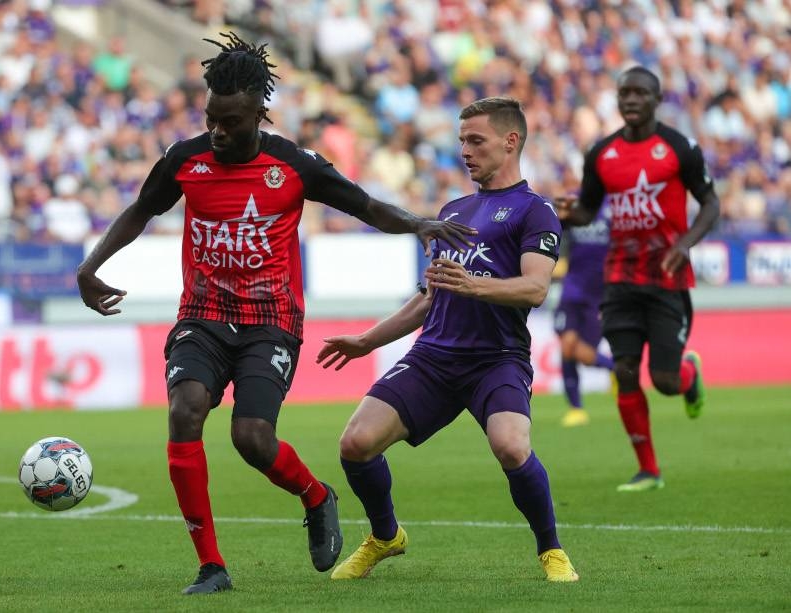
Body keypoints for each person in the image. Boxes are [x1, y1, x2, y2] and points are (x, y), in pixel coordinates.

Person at [75, 32, 475, 595]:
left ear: (260, 115)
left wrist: (417, 223)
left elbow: (364, 205)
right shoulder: (184, 160)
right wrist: (90, 265)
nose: (218, 130)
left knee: (252, 438)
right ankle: (211, 566)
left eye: (231, 122)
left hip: (271, 321)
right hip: (203, 313)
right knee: (185, 410)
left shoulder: (292, 165)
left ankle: (316, 496)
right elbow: (140, 210)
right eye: (212, 118)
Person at [317, 97, 579, 583]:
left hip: (496, 360)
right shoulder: (453, 210)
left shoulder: (535, 210)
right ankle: (385, 536)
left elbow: (536, 288)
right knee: (355, 443)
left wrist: (473, 284)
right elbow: (428, 296)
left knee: (511, 447)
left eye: (475, 140)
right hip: (434, 358)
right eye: (461, 141)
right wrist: (368, 341)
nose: (465, 151)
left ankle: (552, 551)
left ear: (510, 141)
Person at [556, 66, 719, 492]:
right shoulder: (601, 154)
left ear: (656, 98)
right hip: (620, 279)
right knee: (626, 371)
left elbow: (710, 203)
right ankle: (648, 469)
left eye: (639, 93)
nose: (630, 100)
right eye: (623, 93)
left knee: (664, 382)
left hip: (667, 277)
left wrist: (686, 243)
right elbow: (589, 210)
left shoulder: (679, 148)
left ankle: (687, 375)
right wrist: (570, 213)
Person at [554, 199, 616, 427]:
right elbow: (558, 226)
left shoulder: (614, 206)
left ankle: (616, 369)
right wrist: (561, 216)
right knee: (567, 346)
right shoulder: (578, 202)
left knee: (583, 352)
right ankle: (576, 409)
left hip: (598, 295)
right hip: (572, 290)